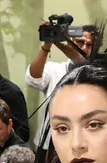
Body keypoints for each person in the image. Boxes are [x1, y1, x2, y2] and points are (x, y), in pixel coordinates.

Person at [25, 20, 97, 151]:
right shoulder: (55, 69)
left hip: (82, 146)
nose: (84, 48)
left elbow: (83, 63)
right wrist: (47, 44)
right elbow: (32, 79)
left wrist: (61, 45)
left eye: (89, 45)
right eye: (80, 42)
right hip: (48, 146)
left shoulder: (98, 74)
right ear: (72, 42)